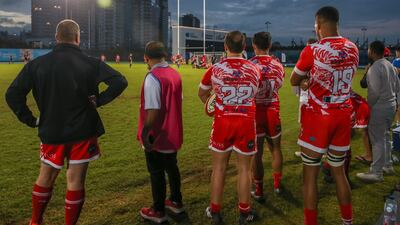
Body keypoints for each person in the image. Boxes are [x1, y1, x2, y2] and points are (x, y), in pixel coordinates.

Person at [5, 19, 127, 225]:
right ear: (78, 38)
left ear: (56, 38)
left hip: (52, 130)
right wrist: (99, 100)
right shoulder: (90, 62)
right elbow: (120, 81)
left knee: (46, 177)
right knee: (75, 181)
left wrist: (30, 119)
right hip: (83, 130)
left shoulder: (36, 64)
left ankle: (35, 222)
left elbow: (12, 94)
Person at [290, 6, 359, 225]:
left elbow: (293, 80)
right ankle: (347, 221)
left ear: (319, 24)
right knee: (339, 172)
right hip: (342, 115)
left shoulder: (313, 49)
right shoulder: (353, 47)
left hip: (318, 116)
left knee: (310, 175)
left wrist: (304, 81)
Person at [198, 31, 261, 224]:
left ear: (225, 47)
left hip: (223, 122)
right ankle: (245, 212)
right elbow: (254, 94)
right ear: (244, 47)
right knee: (244, 170)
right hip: (246, 122)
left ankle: (215, 211)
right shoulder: (255, 68)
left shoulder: (215, 69)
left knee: (219, 169)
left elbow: (202, 94)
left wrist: (214, 104)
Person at [138, 41, 184, 224]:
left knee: (156, 172)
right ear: (164, 55)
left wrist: (145, 133)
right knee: (172, 167)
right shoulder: (175, 73)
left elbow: (154, 110)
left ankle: (158, 211)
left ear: (146, 58)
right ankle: (176, 201)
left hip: (157, 135)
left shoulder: (152, 77)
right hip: (174, 131)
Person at [356, 41, 400, 182]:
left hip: (379, 107)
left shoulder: (375, 67)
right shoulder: (390, 65)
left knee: (377, 140)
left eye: (369, 50)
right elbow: (398, 86)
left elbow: (374, 92)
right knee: (386, 137)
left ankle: (376, 172)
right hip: (391, 106)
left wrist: (368, 107)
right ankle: (387, 165)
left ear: (372, 51)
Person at [249, 31, 285, 200]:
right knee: (276, 149)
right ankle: (277, 185)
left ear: (254, 46)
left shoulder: (249, 65)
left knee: (257, 154)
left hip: (256, 112)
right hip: (272, 110)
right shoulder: (278, 65)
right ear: (269, 45)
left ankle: (259, 190)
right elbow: (280, 85)